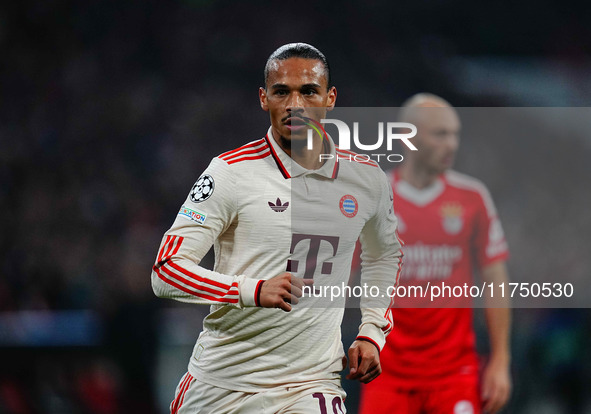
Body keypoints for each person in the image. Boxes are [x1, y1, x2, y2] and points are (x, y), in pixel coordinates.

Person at [151, 43, 403, 414]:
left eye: (309, 91)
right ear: (263, 98)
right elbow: (166, 270)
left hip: (312, 383)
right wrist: (251, 290)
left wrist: (372, 330)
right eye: (281, 91)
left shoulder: (366, 179)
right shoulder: (230, 173)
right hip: (225, 385)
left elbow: (385, 254)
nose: (294, 104)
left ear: (330, 98)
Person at [358, 94, 512, 414]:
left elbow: (495, 280)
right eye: (441, 134)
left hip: (453, 374)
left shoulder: (472, 198)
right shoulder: (373, 198)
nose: (452, 144)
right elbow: (339, 276)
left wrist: (500, 360)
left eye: (455, 134)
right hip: (385, 372)